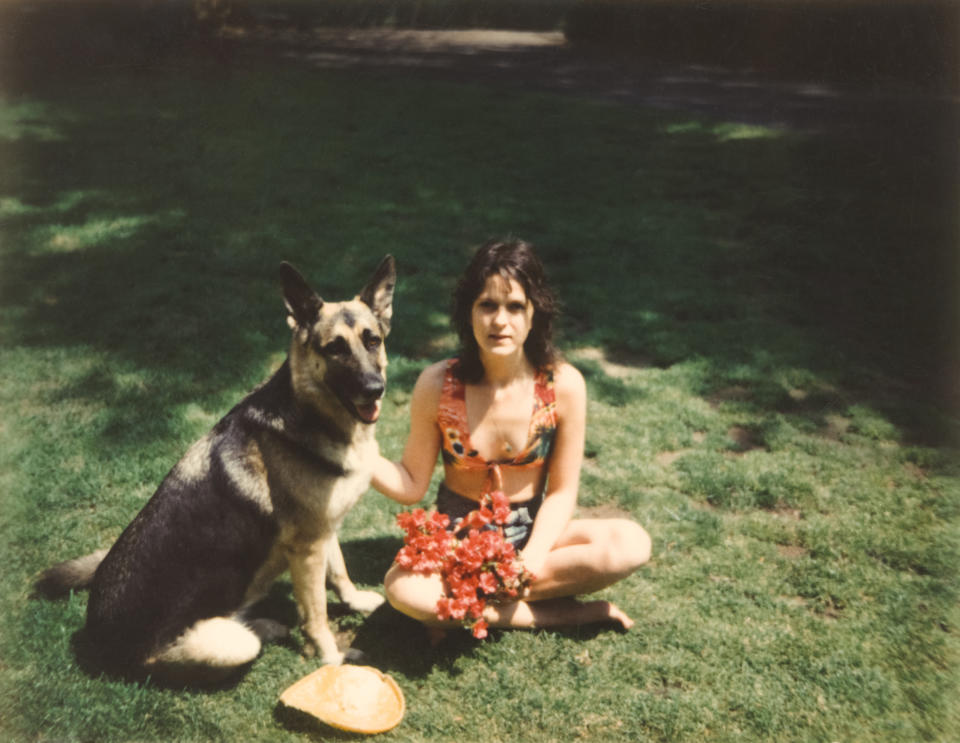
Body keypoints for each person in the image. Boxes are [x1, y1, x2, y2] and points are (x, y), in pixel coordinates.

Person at [371, 239, 651, 633]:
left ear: (535, 313)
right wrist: (357, 456)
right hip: (456, 540)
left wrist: (532, 556)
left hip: (534, 530)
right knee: (402, 591)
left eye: (515, 306)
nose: (500, 321)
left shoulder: (563, 385)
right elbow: (413, 482)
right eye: (487, 305)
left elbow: (562, 492)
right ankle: (563, 615)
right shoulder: (438, 384)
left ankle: (463, 607)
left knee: (632, 543)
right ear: (468, 312)